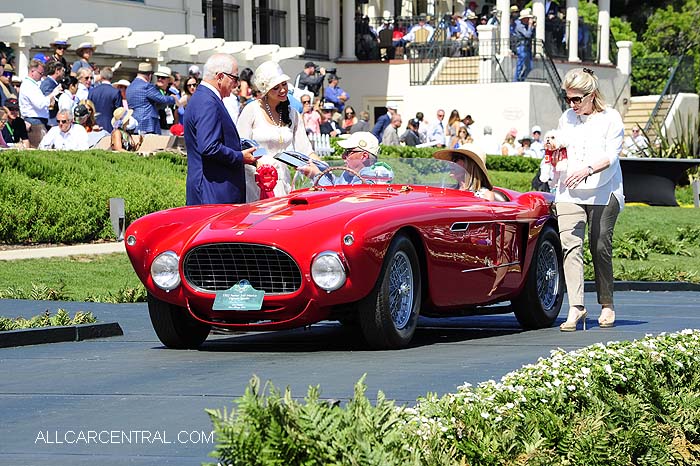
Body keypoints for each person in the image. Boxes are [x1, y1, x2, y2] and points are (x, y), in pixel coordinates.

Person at [549, 67, 624, 332]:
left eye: (577, 99)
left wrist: (588, 169)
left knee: (600, 246)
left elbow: (612, 156)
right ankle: (576, 307)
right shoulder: (566, 118)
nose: (572, 104)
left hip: (604, 189)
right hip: (569, 189)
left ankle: (606, 303)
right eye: (568, 99)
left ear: (591, 95)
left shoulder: (611, 118)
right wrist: (554, 158)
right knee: (570, 245)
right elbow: (561, 147)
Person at [184, 53, 258, 205]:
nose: (237, 84)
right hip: (213, 193)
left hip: (212, 190)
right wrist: (239, 156)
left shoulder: (204, 98)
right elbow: (209, 147)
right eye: (234, 78)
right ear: (220, 77)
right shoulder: (207, 102)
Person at [237, 60, 316, 200]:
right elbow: (240, 147)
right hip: (256, 182)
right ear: (266, 90)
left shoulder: (293, 113)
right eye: (276, 87)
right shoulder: (251, 110)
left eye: (284, 84)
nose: (282, 90)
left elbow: (305, 150)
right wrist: (258, 165)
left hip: (282, 182)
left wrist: (322, 168)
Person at [299, 132, 380, 185]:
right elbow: (337, 185)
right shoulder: (350, 173)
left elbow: (340, 197)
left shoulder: (371, 177)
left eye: (348, 152)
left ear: (364, 156)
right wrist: (324, 172)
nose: (343, 156)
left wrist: (315, 175)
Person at [20, 59, 62, 147]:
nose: (42, 76)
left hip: (40, 120)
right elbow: (40, 104)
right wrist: (53, 94)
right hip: (35, 122)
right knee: (42, 148)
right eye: (40, 73)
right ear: (32, 71)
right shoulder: (28, 85)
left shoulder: (34, 85)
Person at [126, 62, 177, 134]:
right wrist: (173, 98)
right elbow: (161, 99)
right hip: (148, 124)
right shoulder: (147, 86)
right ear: (149, 75)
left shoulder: (130, 87)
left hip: (135, 122)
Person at [88, 67, 122, 132]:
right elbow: (119, 112)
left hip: (94, 125)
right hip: (110, 126)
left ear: (101, 77)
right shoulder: (115, 92)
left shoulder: (92, 91)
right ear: (111, 77)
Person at [513, 9, 535, 81]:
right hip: (521, 47)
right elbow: (527, 35)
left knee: (530, 66)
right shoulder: (519, 26)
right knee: (520, 64)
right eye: (528, 18)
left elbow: (531, 34)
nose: (529, 20)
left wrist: (532, 27)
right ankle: (516, 80)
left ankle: (522, 78)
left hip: (527, 47)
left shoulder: (526, 26)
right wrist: (530, 25)